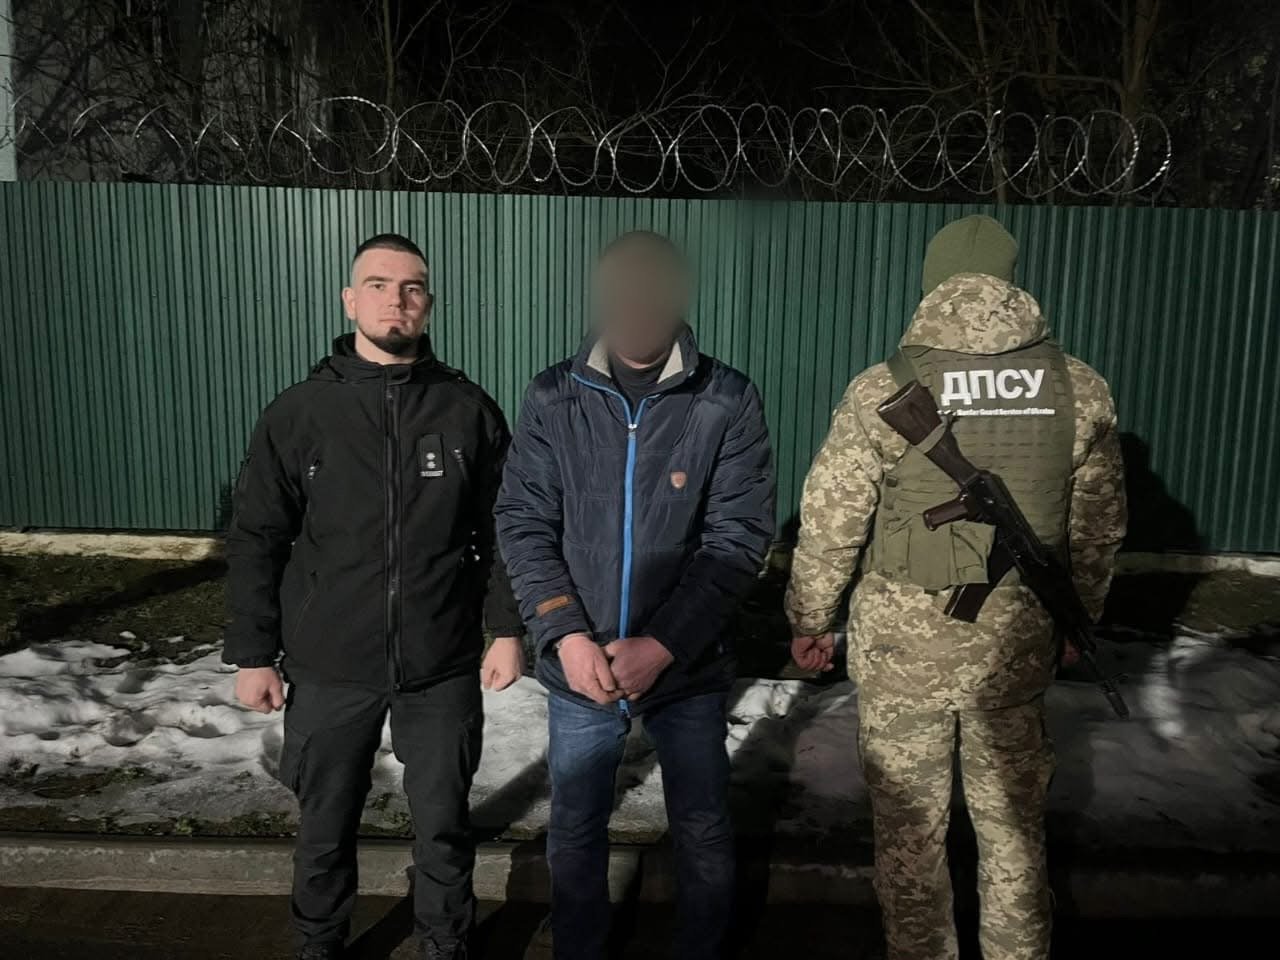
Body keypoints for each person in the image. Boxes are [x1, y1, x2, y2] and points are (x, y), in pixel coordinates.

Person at [785, 215, 1127, 960]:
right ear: (1010, 280)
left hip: (900, 654)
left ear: (932, 284)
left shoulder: (883, 386)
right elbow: (1099, 531)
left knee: (911, 837)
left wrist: (811, 617)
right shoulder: (1079, 389)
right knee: (1013, 836)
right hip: (1016, 643)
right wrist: (1079, 622)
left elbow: (833, 518)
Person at [223, 233, 527, 960]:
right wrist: (254, 653)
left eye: (412, 287)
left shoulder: (466, 410)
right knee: (324, 827)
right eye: (380, 285)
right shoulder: (300, 413)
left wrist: (508, 629)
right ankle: (319, 944)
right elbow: (257, 536)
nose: (397, 299)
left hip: (439, 662)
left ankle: (444, 943)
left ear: (429, 304)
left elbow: (508, 529)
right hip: (330, 662)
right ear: (350, 300)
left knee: (444, 825)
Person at [495, 231, 775, 960]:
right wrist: (565, 633)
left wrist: (665, 643)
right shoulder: (553, 395)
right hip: (580, 664)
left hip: (687, 664)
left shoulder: (726, 398)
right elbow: (523, 521)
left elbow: (738, 537)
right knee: (576, 825)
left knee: (702, 825)